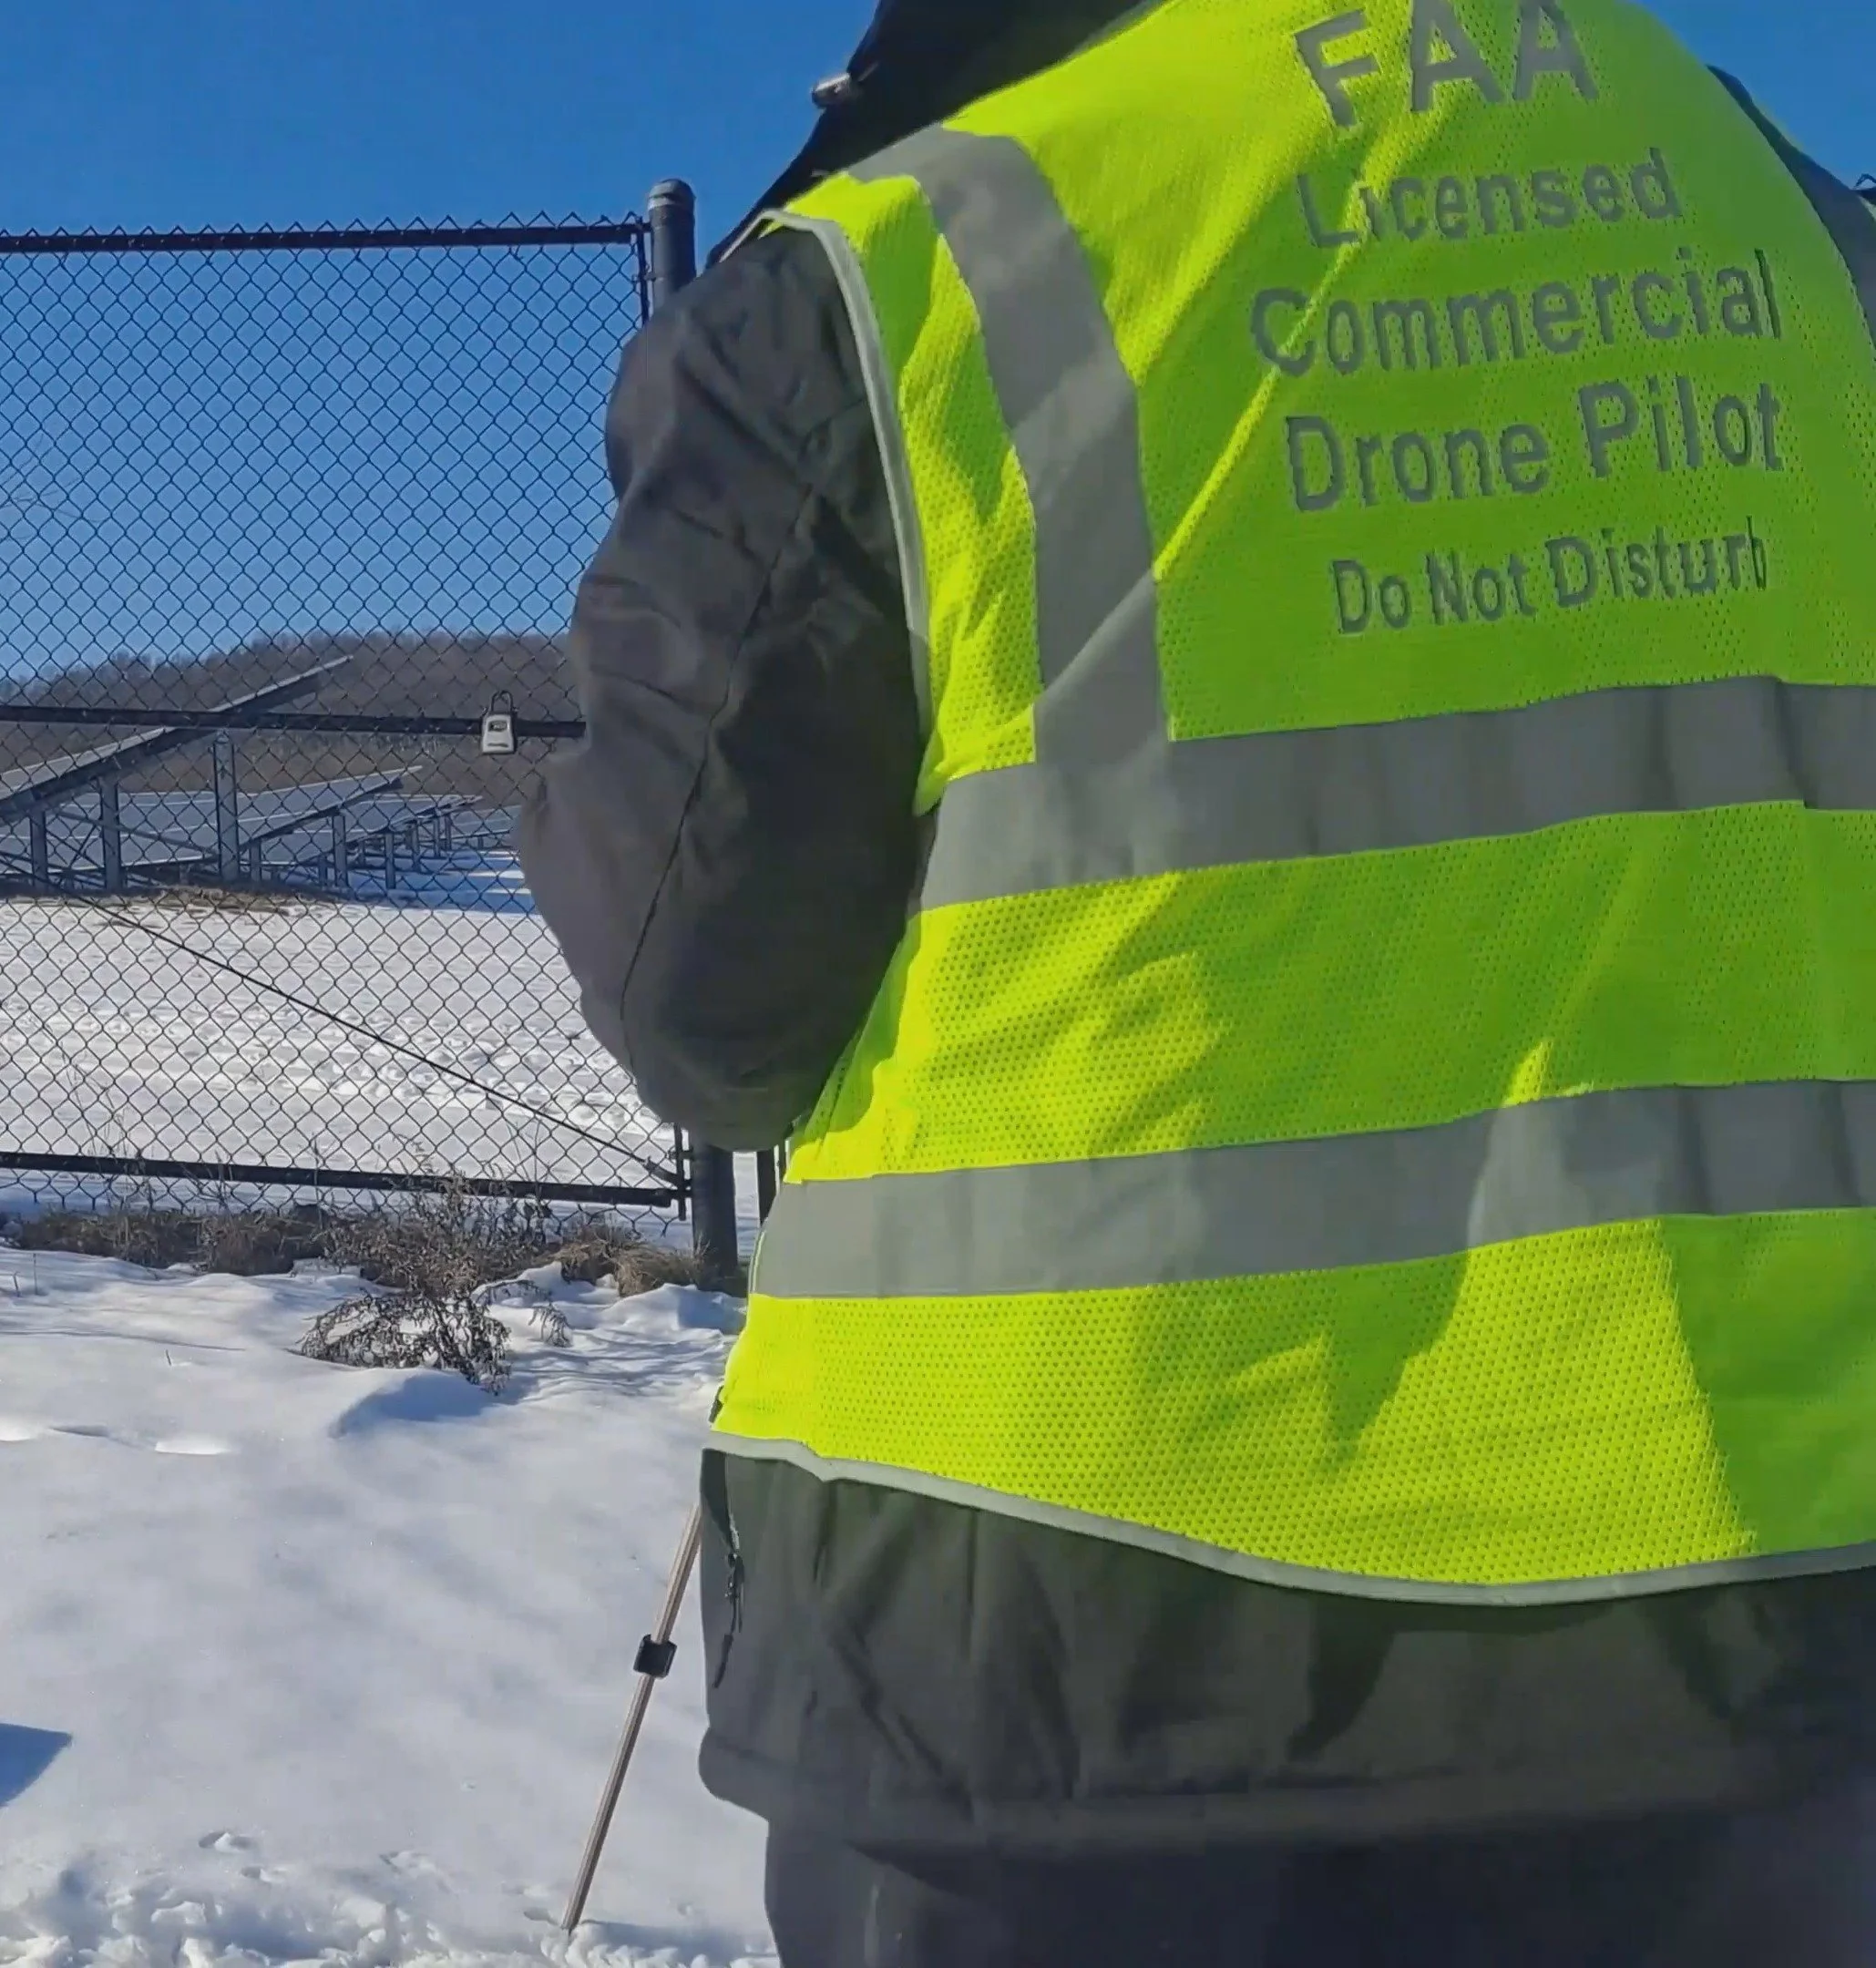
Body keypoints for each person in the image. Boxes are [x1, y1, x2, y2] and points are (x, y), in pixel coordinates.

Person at [522, 2, 1876, 1960]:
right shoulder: (1801, 230)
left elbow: (699, 1002)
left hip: (1051, 1658)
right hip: (1765, 1625)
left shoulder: (909, 265)